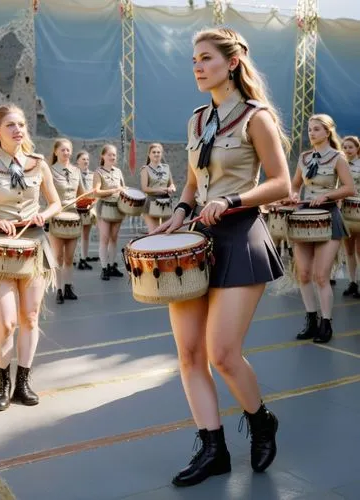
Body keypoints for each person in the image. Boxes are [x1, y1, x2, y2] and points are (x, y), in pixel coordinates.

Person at [154, 28, 291, 486]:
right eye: (194, 59)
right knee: (189, 354)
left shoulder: (256, 117)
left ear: (231, 63)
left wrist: (233, 202)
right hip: (195, 242)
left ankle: (260, 420)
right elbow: (193, 183)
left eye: (206, 58)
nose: (196, 65)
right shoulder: (195, 120)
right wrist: (178, 213)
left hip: (239, 237)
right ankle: (213, 448)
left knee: (224, 355)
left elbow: (281, 183)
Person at [0, 104, 61, 411]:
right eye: (11, 125)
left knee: (30, 317)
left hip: (34, 246)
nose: (19, 129)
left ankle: (23, 383)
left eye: (22, 124)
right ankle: (2, 382)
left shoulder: (39, 163)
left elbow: (56, 202)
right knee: (7, 321)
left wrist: (44, 214)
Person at [289, 116, 355, 343]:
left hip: (328, 218)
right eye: (309, 129)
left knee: (321, 275)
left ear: (327, 132)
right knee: (304, 273)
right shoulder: (304, 158)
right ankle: (311, 320)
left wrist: (327, 195)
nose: (312, 133)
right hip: (304, 218)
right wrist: (294, 196)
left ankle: (326, 323)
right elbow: (295, 185)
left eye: (316, 129)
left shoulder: (338, 158)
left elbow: (349, 188)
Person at [49, 138, 85, 304]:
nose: (66, 153)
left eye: (68, 150)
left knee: (69, 257)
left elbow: (82, 194)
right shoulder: (49, 171)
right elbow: (47, 195)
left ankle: (68, 287)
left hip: (73, 218)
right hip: (57, 217)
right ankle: (58, 289)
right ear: (56, 151)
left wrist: (88, 201)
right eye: (62, 150)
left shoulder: (76, 171)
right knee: (58, 257)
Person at [93, 144, 125, 280]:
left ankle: (112, 266)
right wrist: (113, 191)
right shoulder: (98, 172)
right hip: (104, 207)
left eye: (114, 155)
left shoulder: (118, 171)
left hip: (117, 207)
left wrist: (124, 190)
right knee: (104, 238)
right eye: (110, 154)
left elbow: (123, 187)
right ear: (103, 156)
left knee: (114, 238)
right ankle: (104, 268)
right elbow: (96, 192)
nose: (112, 157)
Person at [140, 143, 176, 233]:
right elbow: (145, 188)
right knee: (154, 233)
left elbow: (172, 184)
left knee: (168, 232)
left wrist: (172, 188)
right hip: (151, 202)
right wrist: (159, 190)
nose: (156, 154)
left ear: (161, 154)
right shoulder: (145, 169)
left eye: (158, 152)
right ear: (149, 154)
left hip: (166, 201)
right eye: (154, 152)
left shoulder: (166, 167)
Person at [341, 136, 360, 297]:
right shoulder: (340, 165)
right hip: (345, 212)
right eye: (345, 147)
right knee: (348, 250)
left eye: (350, 147)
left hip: (359, 211)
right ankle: (352, 282)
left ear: (357, 149)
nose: (347, 150)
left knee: (359, 250)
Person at [75, 150, 98, 269]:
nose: (86, 161)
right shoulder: (73, 174)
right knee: (74, 234)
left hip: (88, 207)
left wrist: (94, 202)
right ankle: (75, 257)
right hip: (76, 207)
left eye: (87, 159)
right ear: (77, 161)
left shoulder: (93, 175)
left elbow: (96, 191)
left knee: (85, 234)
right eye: (83, 159)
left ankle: (83, 258)